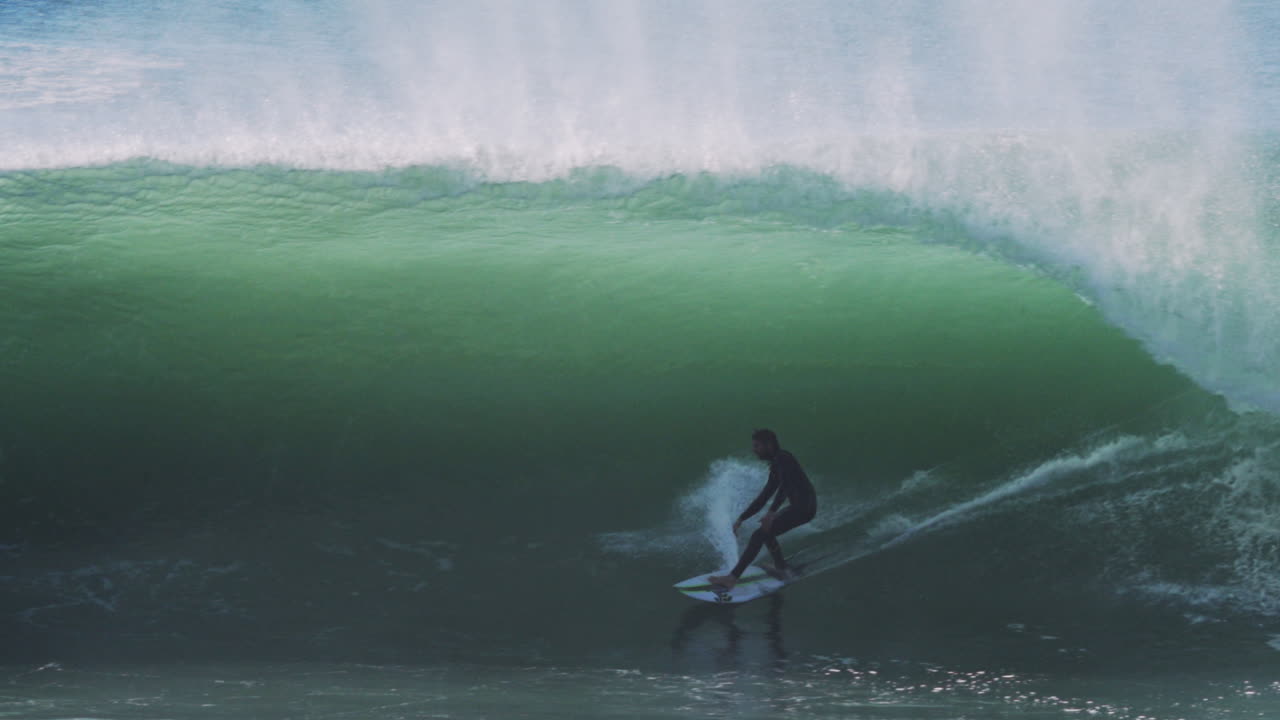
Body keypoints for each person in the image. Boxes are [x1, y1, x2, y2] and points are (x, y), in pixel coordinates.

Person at [709, 429, 817, 589]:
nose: (754, 450)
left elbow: (785, 487)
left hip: (804, 507)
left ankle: (732, 578)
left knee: (759, 535)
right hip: (801, 506)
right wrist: (741, 518)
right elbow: (766, 495)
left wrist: (771, 513)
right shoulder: (776, 464)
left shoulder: (783, 458)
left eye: (757, 446)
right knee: (766, 532)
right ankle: (782, 569)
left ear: (769, 445)